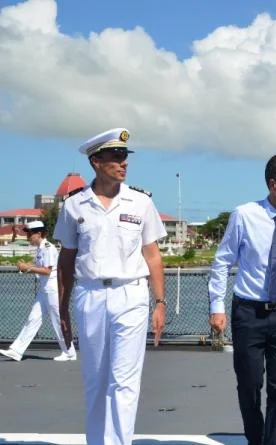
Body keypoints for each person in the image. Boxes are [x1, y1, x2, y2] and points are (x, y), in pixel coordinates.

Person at [54, 128, 167, 445]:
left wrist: (160, 303)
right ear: (96, 161)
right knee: (95, 380)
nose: (123, 163)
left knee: (124, 382)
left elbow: (153, 256)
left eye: (124, 157)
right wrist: (62, 310)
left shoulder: (141, 202)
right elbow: (66, 260)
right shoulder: (75, 205)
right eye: (115, 157)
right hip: (90, 295)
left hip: (131, 294)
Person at [208, 153, 276, 445]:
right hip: (249, 313)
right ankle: (255, 439)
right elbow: (222, 262)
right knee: (250, 384)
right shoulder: (244, 215)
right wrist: (217, 307)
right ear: (273, 184)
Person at [0, 221, 76, 362]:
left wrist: (27, 267)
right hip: (44, 289)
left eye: (30, 234)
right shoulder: (41, 248)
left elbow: (47, 270)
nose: (28, 236)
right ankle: (16, 350)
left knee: (58, 321)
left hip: (52, 289)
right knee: (33, 319)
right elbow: (42, 268)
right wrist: (28, 266)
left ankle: (69, 352)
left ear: (39, 234)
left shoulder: (48, 247)